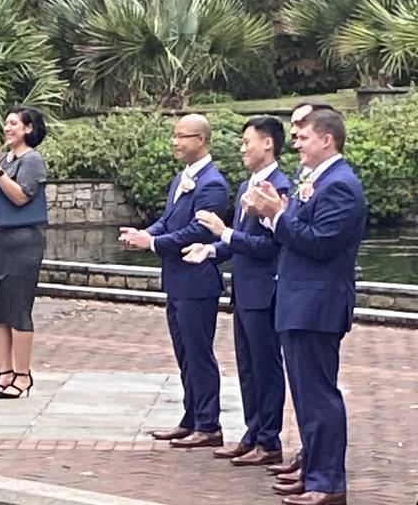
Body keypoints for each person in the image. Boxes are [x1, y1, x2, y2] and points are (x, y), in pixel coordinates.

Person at [246, 108, 365, 505]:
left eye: (305, 136)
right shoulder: (313, 180)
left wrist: (276, 214)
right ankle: (313, 469)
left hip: (318, 304)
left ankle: (328, 483)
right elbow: (294, 234)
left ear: (327, 139)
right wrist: (269, 216)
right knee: (304, 396)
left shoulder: (341, 185)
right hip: (298, 300)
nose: (296, 142)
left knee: (319, 396)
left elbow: (319, 242)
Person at [182, 117, 291, 465]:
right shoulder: (248, 184)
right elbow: (241, 242)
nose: (242, 148)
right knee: (247, 366)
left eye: (248, 141)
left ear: (268, 144)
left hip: (265, 291)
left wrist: (223, 233)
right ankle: (253, 432)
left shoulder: (279, 187)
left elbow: (270, 245)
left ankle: (269, 440)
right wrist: (212, 250)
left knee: (265, 366)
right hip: (244, 290)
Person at [119, 114, 229, 447]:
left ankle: (209, 424)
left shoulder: (212, 183)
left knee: (199, 353)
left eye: (183, 136)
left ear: (202, 140)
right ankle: (191, 417)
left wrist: (152, 244)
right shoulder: (182, 178)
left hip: (197, 282)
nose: (175, 142)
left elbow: (199, 230)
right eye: (174, 135)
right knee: (184, 354)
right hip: (177, 281)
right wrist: (145, 233)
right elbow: (168, 220)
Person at [0, 106, 48, 399]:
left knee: (17, 307)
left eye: (14, 123)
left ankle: (23, 375)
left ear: (28, 129)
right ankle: (4, 372)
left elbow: (20, 196)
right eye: (6, 124)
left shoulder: (32, 160)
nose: (7, 128)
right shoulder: (0, 159)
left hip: (22, 241)